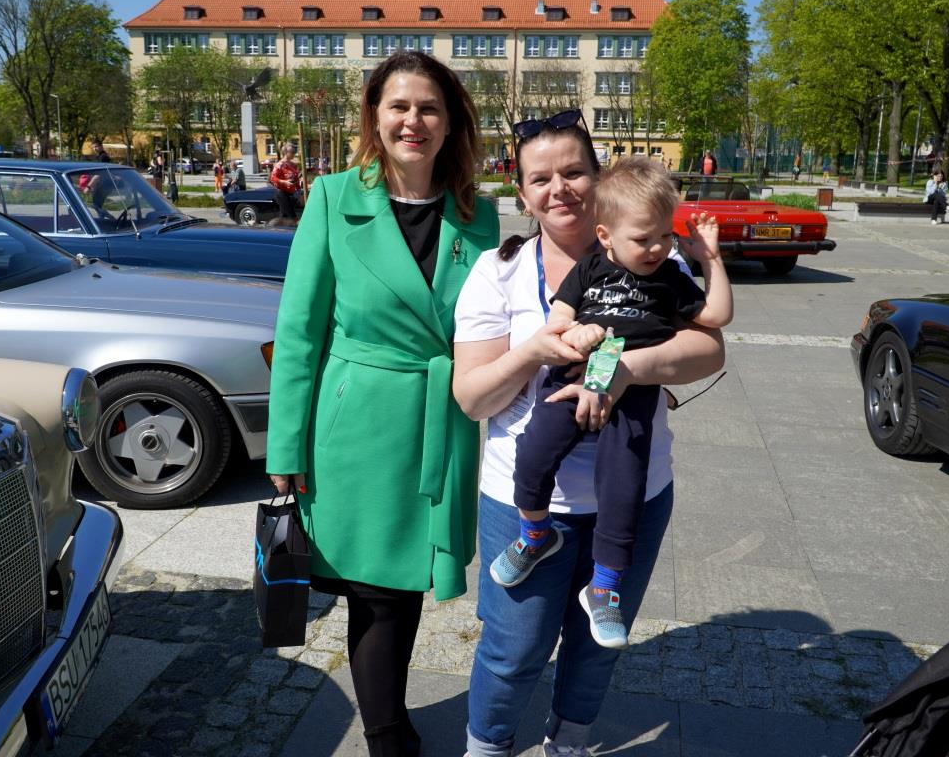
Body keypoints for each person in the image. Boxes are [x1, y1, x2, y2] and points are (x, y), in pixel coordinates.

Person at [452, 108, 725, 757]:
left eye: (574, 172)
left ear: (598, 180)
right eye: (540, 178)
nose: (560, 189)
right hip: (523, 499)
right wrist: (532, 352)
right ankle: (486, 747)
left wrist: (625, 371)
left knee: (597, 646)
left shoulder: (654, 258)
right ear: (523, 195)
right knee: (513, 648)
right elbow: (472, 398)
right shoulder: (498, 271)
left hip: (635, 490)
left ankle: (569, 742)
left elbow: (710, 350)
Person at [266, 51, 499, 757]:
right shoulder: (333, 199)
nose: (413, 121)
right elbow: (298, 333)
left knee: (403, 585)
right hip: (355, 427)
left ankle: (390, 725)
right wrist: (285, 447)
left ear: (451, 122)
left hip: (438, 423)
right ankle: (388, 736)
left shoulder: (479, 215)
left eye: (429, 108)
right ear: (374, 116)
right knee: (376, 592)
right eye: (398, 106)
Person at [491, 157, 733, 649]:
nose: (658, 247)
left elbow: (717, 317)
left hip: (633, 393)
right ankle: (535, 533)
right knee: (534, 451)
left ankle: (604, 586)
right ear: (605, 236)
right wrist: (577, 332)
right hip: (574, 377)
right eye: (643, 238)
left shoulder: (670, 276)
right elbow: (556, 323)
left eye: (665, 235)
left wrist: (710, 259)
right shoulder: (589, 269)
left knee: (623, 484)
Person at [270, 143, 302, 220]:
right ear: (286, 153)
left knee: (285, 217)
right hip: (282, 193)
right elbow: (272, 178)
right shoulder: (280, 164)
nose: (294, 154)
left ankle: (280, 226)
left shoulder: (293, 165)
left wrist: (299, 191)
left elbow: (296, 179)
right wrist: (284, 182)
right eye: (292, 152)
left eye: (295, 152)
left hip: (291, 194)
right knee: (292, 217)